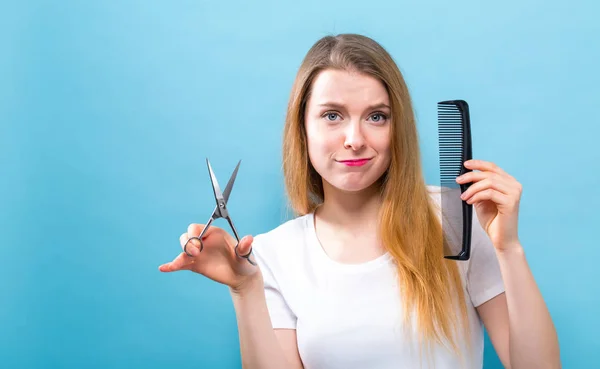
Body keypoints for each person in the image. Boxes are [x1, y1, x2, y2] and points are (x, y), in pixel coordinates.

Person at [159, 34, 560, 369]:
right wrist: (245, 290)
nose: (354, 138)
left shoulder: (454, 219)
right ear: (302, 129)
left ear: (396, 127)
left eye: (376, 116)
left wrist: (509, 249)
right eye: (332, 115)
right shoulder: (271, 255)